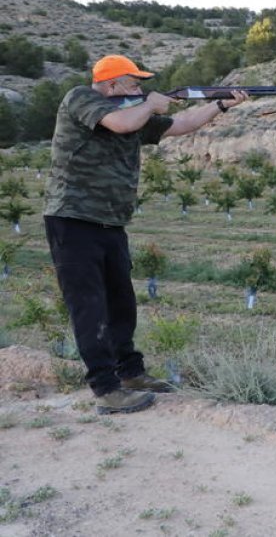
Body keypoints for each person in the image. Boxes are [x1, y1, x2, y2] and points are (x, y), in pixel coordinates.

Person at [43, 54, 247, 415]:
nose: (140, 88)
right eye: (134, 83)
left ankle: (131, 374)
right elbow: (119, 123)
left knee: (122, 303)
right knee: (88, 307)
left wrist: (219, 105)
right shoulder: (81, 98)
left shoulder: (136, 115)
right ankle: (106, 389)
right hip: (73, 220)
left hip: (110, 222)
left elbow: (183, 123)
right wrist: (151, 103)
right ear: (111, 85)